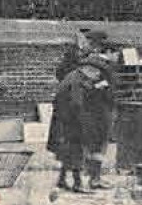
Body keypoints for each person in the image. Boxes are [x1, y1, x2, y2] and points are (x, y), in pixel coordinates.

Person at [47, 56, 114, 193]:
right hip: (70, 122)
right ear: (89, 69)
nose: (98, 76)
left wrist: (94, 87)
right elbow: (76, 104)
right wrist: (85, 123)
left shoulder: (76, 77)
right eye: (97, 73)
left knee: (67, 153)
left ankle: (62, 180)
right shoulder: (76, 81)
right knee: (76, 151)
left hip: (64, 121)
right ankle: (78, 184)